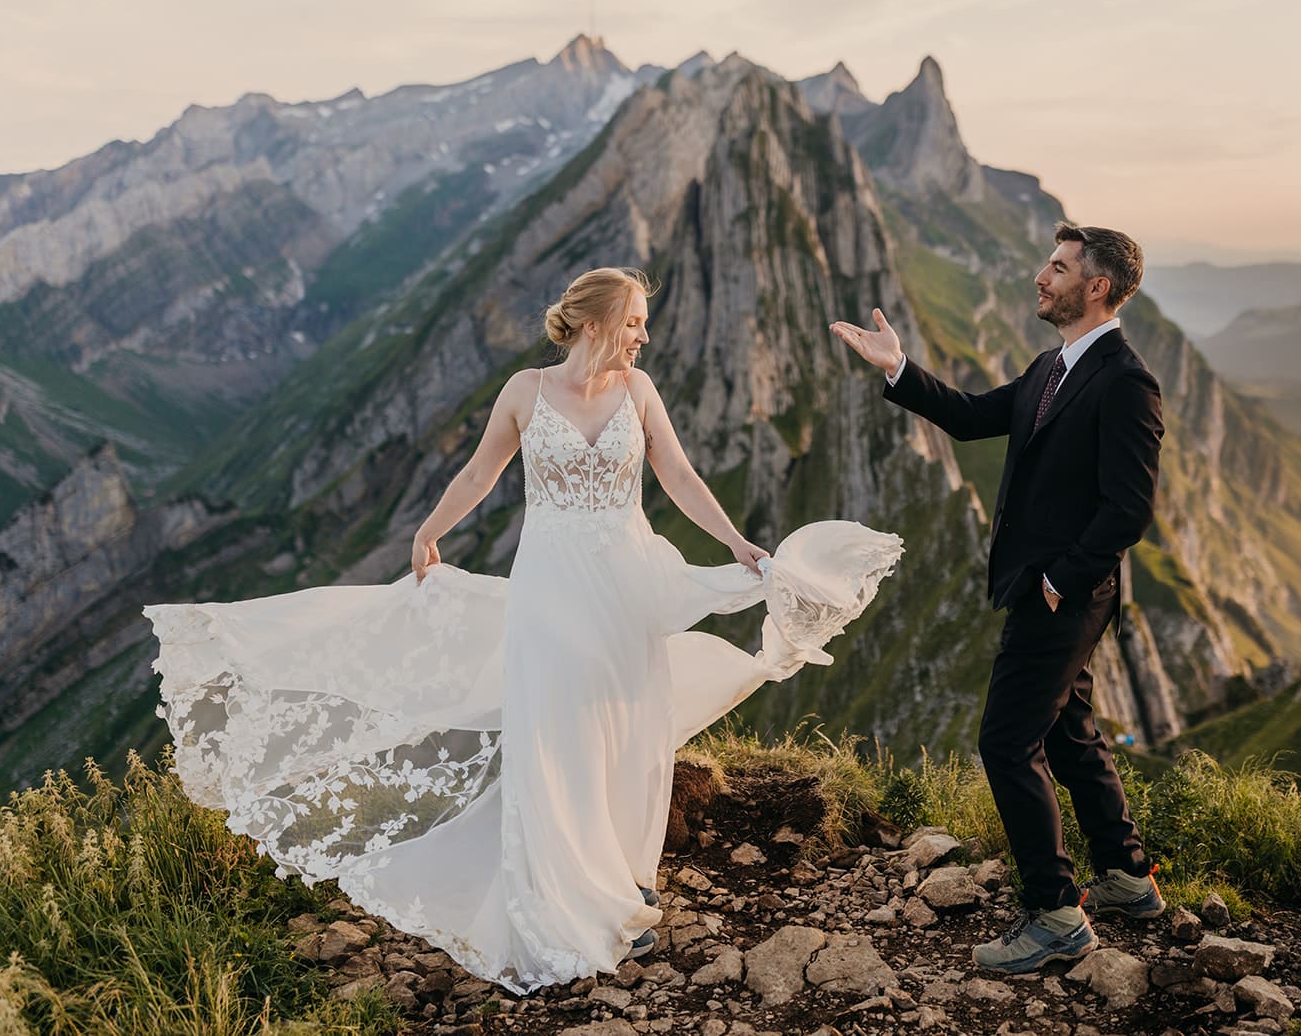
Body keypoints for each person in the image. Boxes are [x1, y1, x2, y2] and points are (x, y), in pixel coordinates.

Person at [144, 267, 902, 993]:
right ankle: (567, 889)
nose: (644, 336)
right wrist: (429, 530)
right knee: (555, 726)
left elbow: (677, 475)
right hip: (552, 584)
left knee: (627, 721)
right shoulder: (524, 391)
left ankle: (625, 874)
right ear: (597, 321)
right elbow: (480, 473)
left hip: (626, 579)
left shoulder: (639, 390)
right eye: (634, 322)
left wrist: (739, 544)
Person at [830, 223, 1164, 973]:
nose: (1041, 277)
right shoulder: (1054, 365)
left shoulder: (1125, 380)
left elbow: (1129, 508)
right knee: (1070, 726)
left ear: (1097, 287)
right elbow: (976, 415)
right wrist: (899, 368)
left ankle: (1054, 912)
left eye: (1058, 267)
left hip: (1064, 594)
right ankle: (1127, 877)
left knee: (1007, 741)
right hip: (1044, 587)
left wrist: (1057, 581)